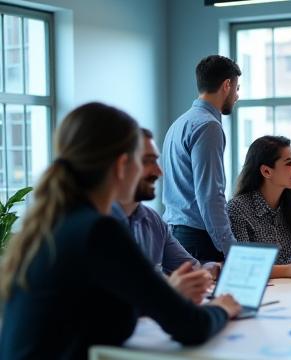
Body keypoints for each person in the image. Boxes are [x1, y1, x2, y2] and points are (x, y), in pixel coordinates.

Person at [0, 102, 241, 359]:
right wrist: (222, 308)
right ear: (122, 164)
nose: (156, 171)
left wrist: (165, 297)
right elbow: (191, 326)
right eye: (142, 160)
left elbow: (96, 317)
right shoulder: (98, 231)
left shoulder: (56, 223)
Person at [115, 128, 218, 304]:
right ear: (120, 165)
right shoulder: (95, 226)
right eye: (148, 161)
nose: (159, 172)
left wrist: (214, 269)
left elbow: (192, 269)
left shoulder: (152, 220)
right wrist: (169, 292)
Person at [162, 55, 241, 262]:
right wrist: (230, 249)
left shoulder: (180, 123)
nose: (237, 96)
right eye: (237, 88)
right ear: (227, 85)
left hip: (175, 232)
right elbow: (210, 195)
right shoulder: (209, 126)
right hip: (198, 239)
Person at [227, 135, 291, 278]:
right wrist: (288, 270)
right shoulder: (238, 209)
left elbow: (290, 259)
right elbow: (241, 266)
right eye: (289, 163)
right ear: (266, 171)